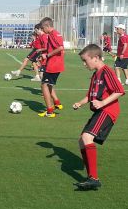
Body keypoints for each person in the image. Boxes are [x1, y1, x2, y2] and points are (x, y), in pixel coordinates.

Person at [72, 44, 124, 190]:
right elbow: (90, 95)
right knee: (82, 141)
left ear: (95, 58)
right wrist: (80, 103)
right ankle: (91, 177)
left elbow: (119, 90)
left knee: (87, 138)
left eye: (85, 60)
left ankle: (94, 178)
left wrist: (102, 103)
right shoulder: (96, 75)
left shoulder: (107, 71)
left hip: (108, 110)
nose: (84, 64)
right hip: (100, 111)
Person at [38, 17, 64, 118]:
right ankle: (53, 106)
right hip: (54, 64)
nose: (42, 30)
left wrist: (47, 55)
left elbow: (60, 47)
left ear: (47, 26)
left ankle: (50, 111)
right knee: (48, 85)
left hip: (54, 65)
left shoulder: (54, 34)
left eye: (43, 28)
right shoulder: (54, 34)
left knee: (44, 85)